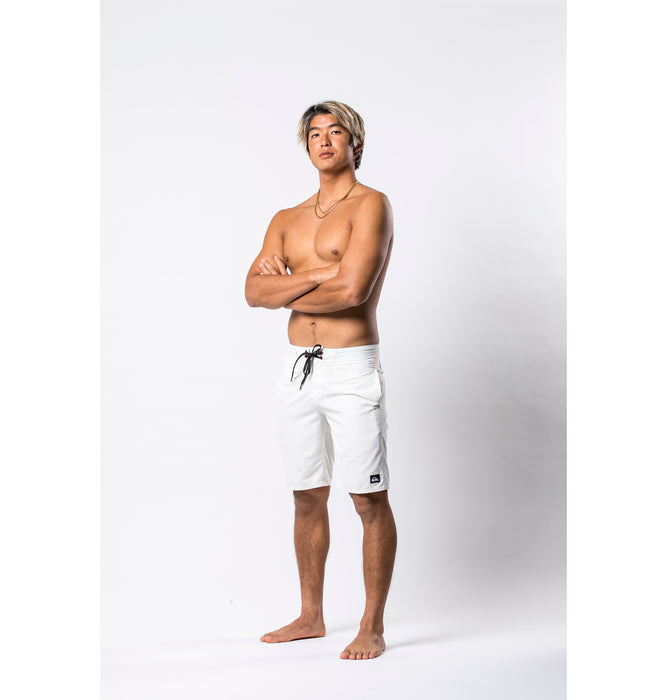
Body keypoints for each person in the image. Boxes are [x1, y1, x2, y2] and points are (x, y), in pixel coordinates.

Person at [245, 100, 397, 661]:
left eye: (336, 132)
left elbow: (353, 291)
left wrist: (291, 283)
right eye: (314, 133)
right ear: (306, 145)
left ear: (356, 143)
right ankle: (311, 615)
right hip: (298, 369)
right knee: (307, 496)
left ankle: (372, 626)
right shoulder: (285, 219)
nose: (324, 141)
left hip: (351, 367)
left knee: (367, 499)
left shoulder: (371, 205)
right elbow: (253, 292)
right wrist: (325, 272)